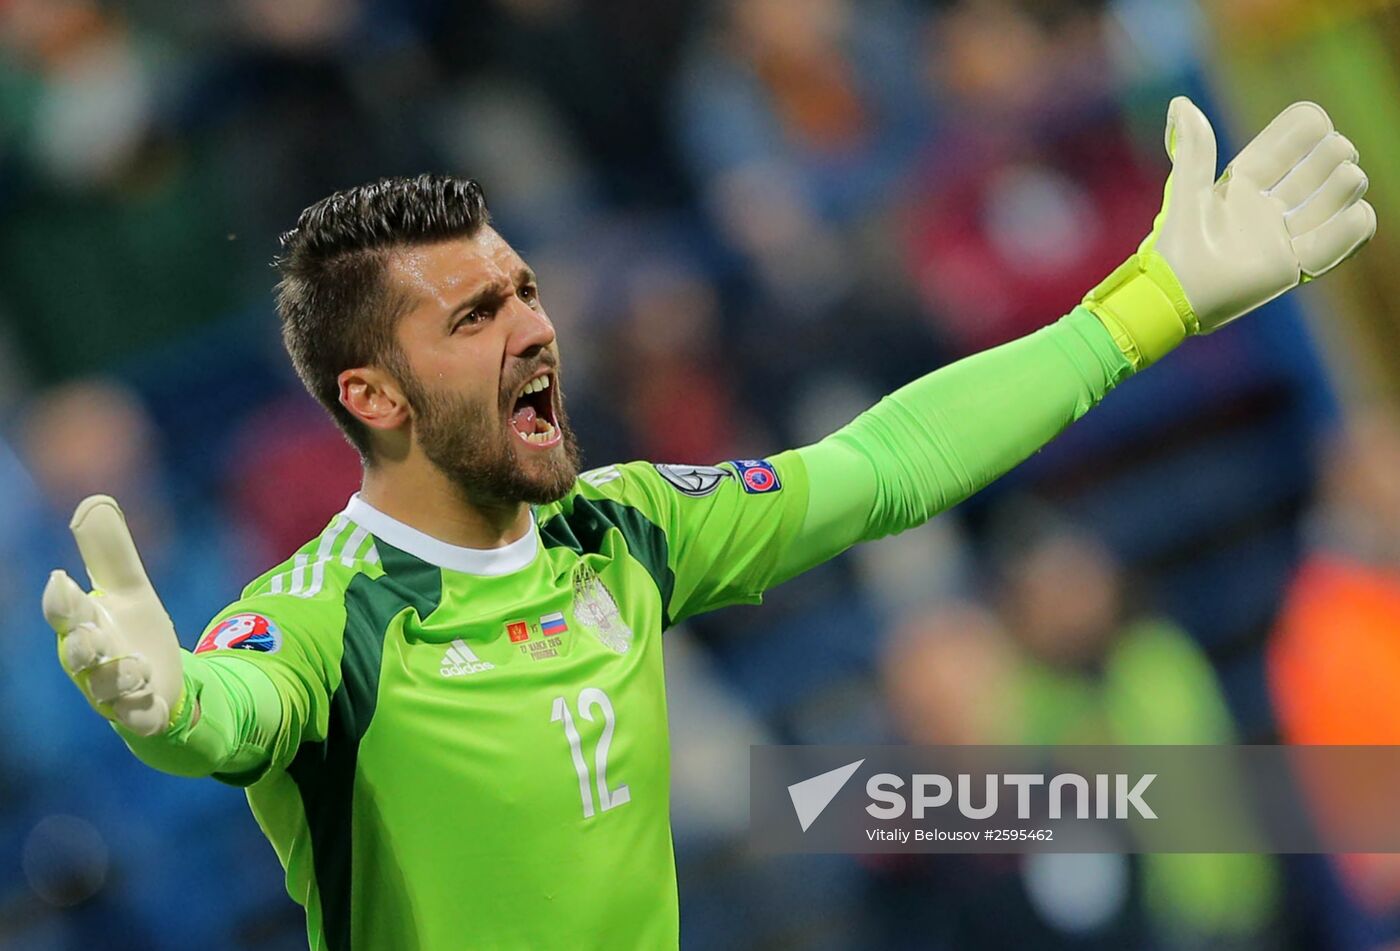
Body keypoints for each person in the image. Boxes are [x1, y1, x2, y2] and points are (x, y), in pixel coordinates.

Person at [40, 97, 1374, 950]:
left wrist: (1150, 301)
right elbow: (233, 710)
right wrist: (164, 709)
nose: (535, 326)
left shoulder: (620, 532)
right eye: (476, 316)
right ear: (373, 395)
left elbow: (886, 464)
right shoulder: (330, 614)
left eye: (525, 289)